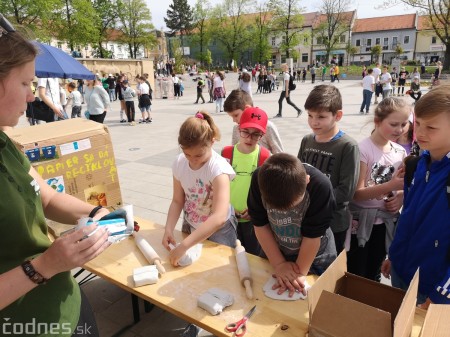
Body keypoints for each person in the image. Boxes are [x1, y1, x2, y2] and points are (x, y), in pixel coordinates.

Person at [0, 18, 111, 336]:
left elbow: (45, 195)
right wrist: (45, 266)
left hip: (67, 305)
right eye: (25, 84)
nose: (32, 96)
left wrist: (93, 211)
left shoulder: (6, 142)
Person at [382, 84, 450, 307]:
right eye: (417, 123)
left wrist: (441, 295)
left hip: (432, 289)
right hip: (402, 273)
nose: (419, 133)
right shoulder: (416, 164)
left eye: (431, 127)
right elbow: (408, 217)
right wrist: (394, 255)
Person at [247, 153, 337, 297]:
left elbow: (312, 236)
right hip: (275, 246)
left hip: (315, 253)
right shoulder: (259, 179)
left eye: (292, 206)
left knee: (313, 295)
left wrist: (299, 274)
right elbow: (260, 224)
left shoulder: (321, 187)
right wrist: (279, 264)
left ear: (307, 181)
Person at [162, 111, 237, 267]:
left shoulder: (218, 170)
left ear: (212, 142)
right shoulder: (179, 163)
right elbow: (177, 201)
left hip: (219, 231)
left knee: (218, 268)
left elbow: (219, 217)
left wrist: (184, 245)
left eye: (199, 155)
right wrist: (168, 229)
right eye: (187, 154)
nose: (193, 160)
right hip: (191, 224)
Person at [347, 97, 409, 282]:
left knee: (374, 273)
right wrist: (391, 186)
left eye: (404, 124)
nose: (399, 130)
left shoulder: (400, 152)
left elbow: (402, 187)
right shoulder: (362, 149)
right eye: (393, 124)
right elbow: (356, 194)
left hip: (385, 226)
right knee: (356, 273)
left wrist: (400, 197)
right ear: (377, 121)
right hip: (359, 225)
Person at [298, 85, 360, 253]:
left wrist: (315, 200)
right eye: (310, 115)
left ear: (337, 115)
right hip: (305, 218)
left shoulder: (348, 146)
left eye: (321, 117)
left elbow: (346, 191)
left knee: (328, 269)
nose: (313, 122)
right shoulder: (307, 140)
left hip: (333, 222)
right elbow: (297, 176)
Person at [222, 107, 270, 256]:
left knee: (252, 257)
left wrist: (255, 210)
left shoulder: (265, 156)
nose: (249, 138)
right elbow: (217, 186)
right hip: (228, 217)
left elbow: (267, 192)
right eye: (246, 132)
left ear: (262, 135)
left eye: (256, 134)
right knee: (228, 255)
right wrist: (227, 207)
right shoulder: (226, 153)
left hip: (253, 220)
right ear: (238, 129)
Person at [224, 89, 284, 154]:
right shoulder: (236, 129)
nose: (234, 120)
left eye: (236, 115)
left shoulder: (268, 127)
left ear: (247, 109)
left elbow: (280, 155)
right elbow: (234, 152)